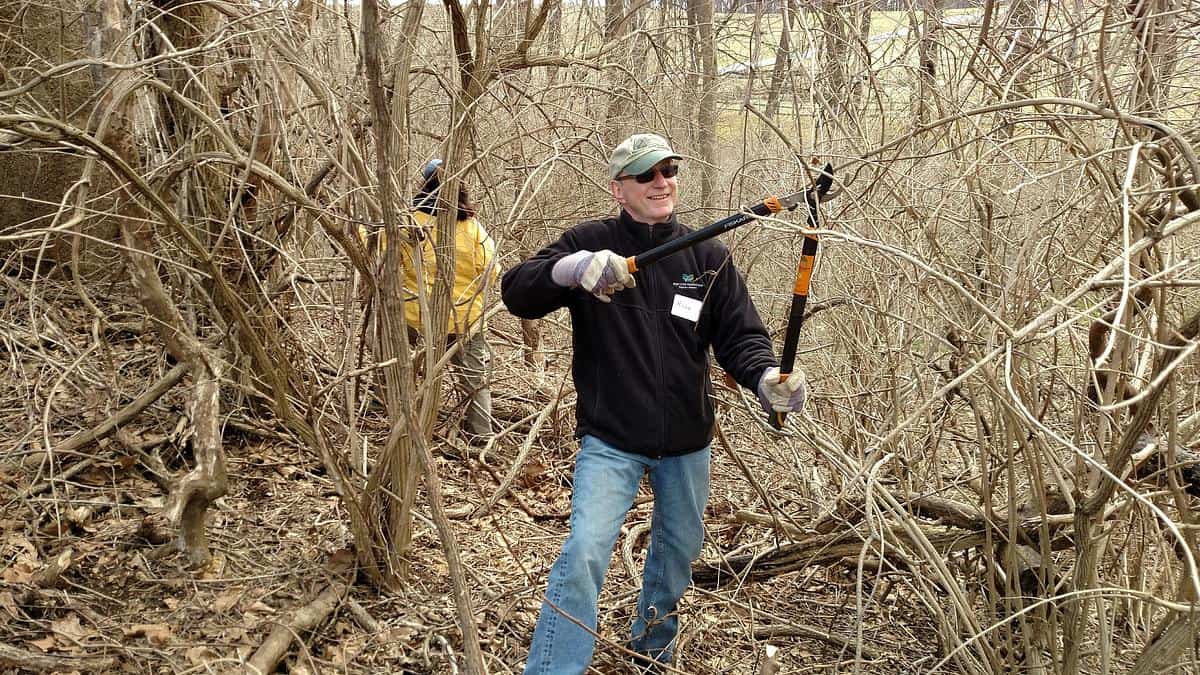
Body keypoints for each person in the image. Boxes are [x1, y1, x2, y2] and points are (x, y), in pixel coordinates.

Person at [501, 133, 807, 674]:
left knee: (675, 557)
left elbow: (741, 336)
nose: (662, 182)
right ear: (619, 190)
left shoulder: (707, 254)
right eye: (647, 175)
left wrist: (767, 378)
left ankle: (650, 647)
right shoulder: (589, 242)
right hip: (611, 440)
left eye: (669, 170)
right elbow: (518, 291)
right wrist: (572, 269)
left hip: (688, 443)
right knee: (584, 556)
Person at [393, 158, 499, 440]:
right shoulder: (472, 228)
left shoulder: (411, 222)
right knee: (474, 379)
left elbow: (381, 252)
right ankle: (480, 437)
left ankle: (397, 416)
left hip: (416, 313)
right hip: (466, 318)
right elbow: (491, 271)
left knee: (398, 362)